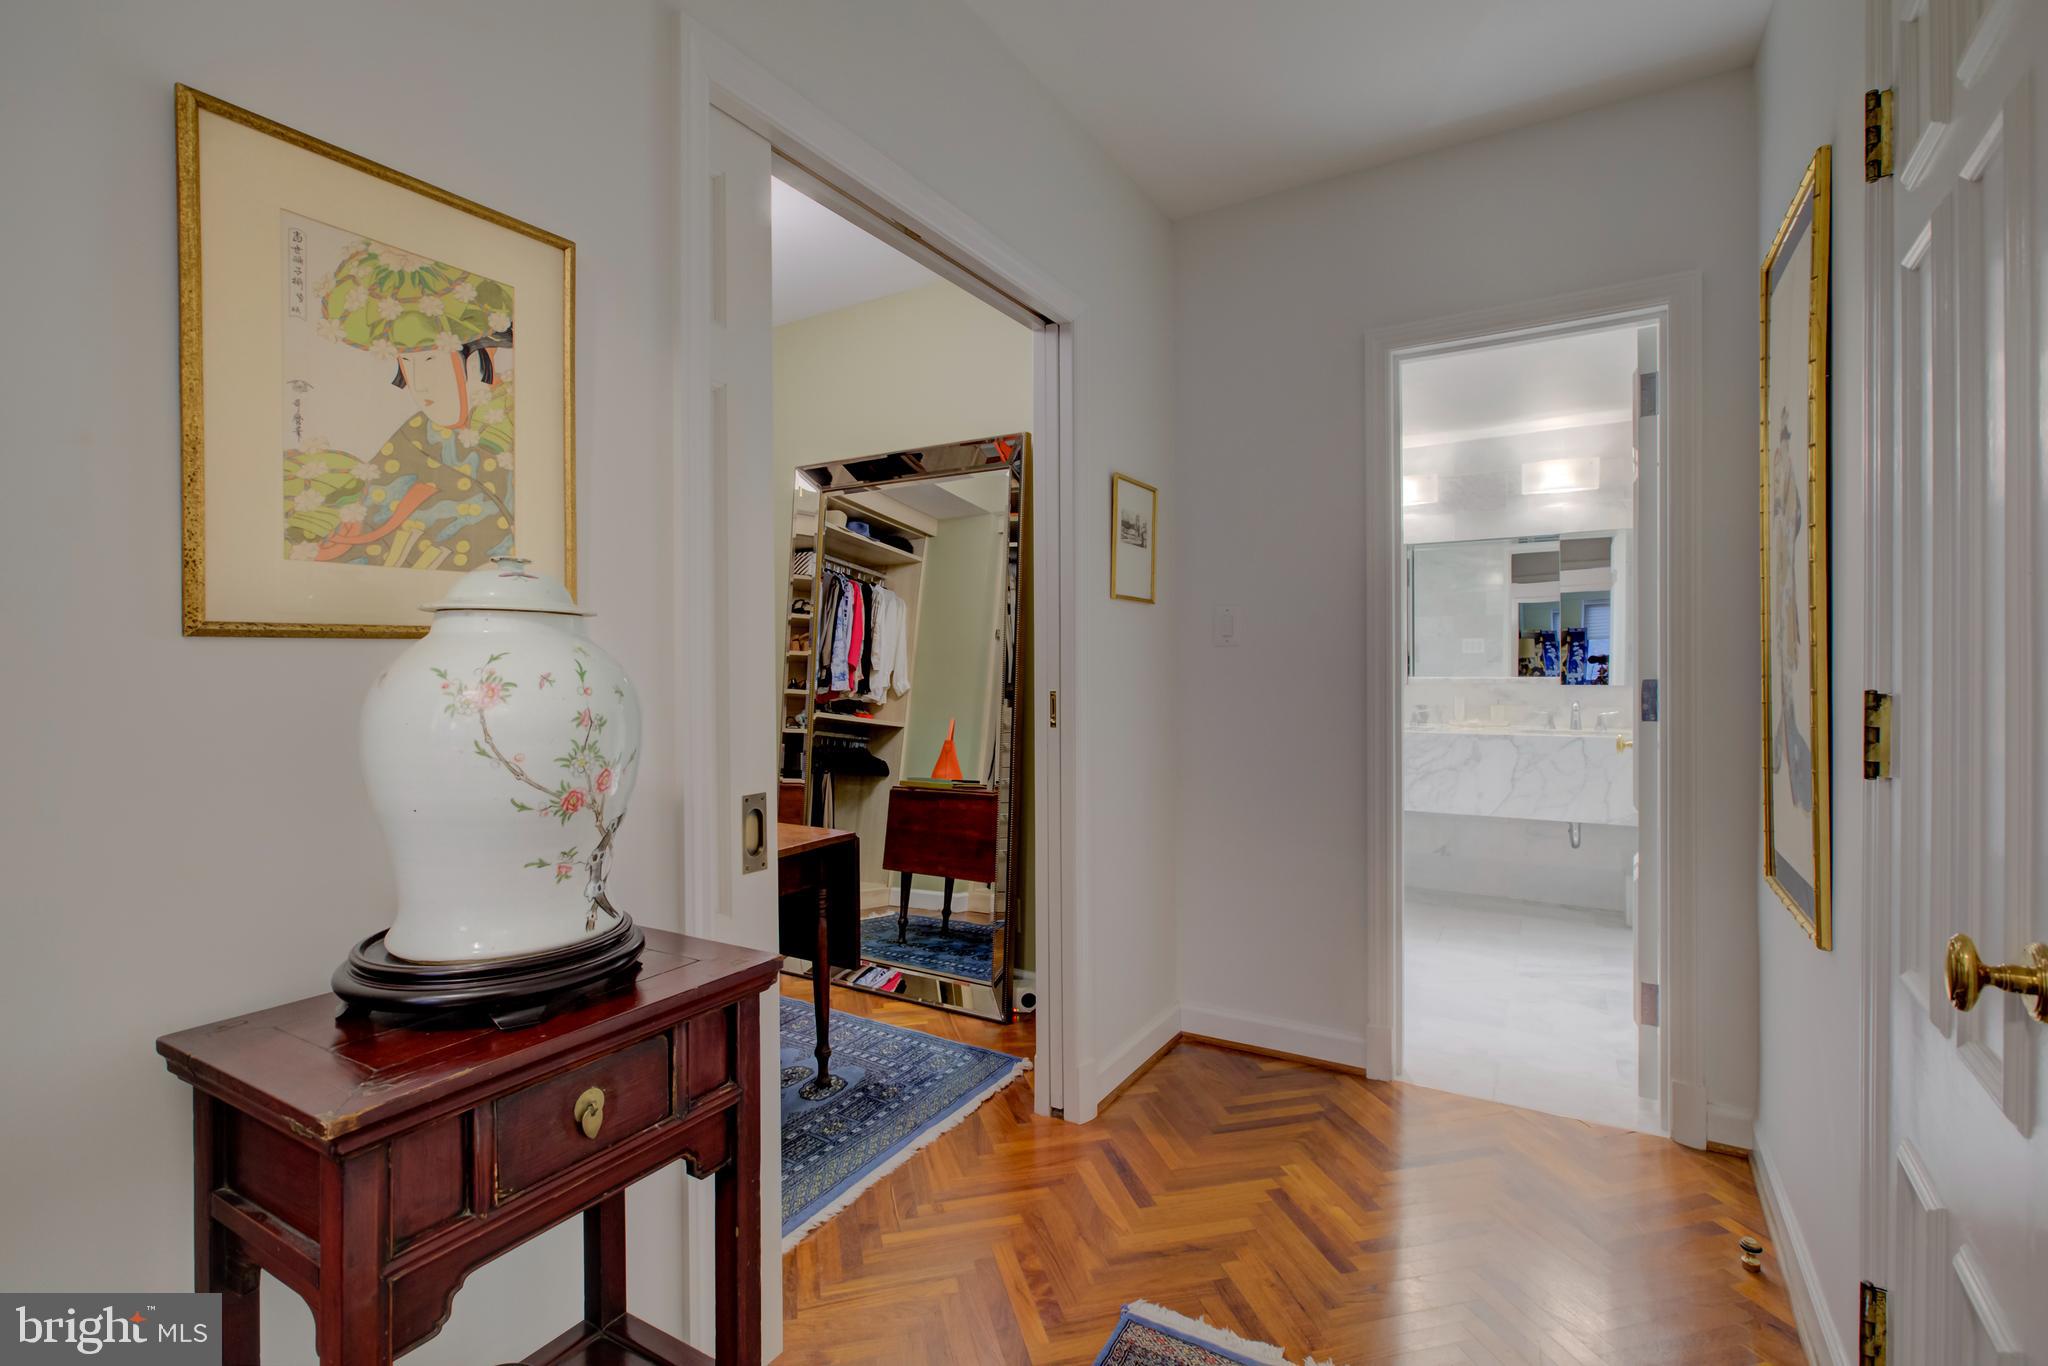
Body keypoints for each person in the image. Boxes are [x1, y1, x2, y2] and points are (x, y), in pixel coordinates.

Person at [282, 239, 516, 571]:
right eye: (408, 361)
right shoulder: (417, 435)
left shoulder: (517, 425)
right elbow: (374, 514)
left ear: (482, 354)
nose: (419, 384)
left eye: (432, 359)